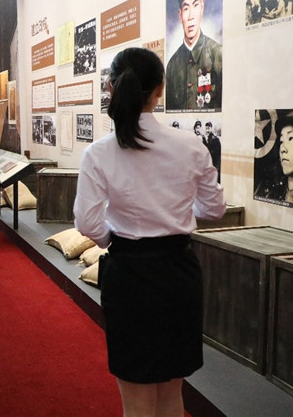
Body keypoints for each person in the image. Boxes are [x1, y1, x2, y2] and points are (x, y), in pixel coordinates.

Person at [73, 48, 225, 417]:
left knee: (137, 399)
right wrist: (176, 214)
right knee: (172, 393)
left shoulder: (99, 152)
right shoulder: (191, 145)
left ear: (111, 87)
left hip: (129, 276)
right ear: (160, 90)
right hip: (178, 274)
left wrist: (115, 239)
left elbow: (87, 222)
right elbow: (214, 209)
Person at [165, 0, 223, 111]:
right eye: (186, 8)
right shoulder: (172, 66)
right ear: (180, 15)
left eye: (195, 5)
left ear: (202, 6)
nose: (191, 16)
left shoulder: (218, 55)